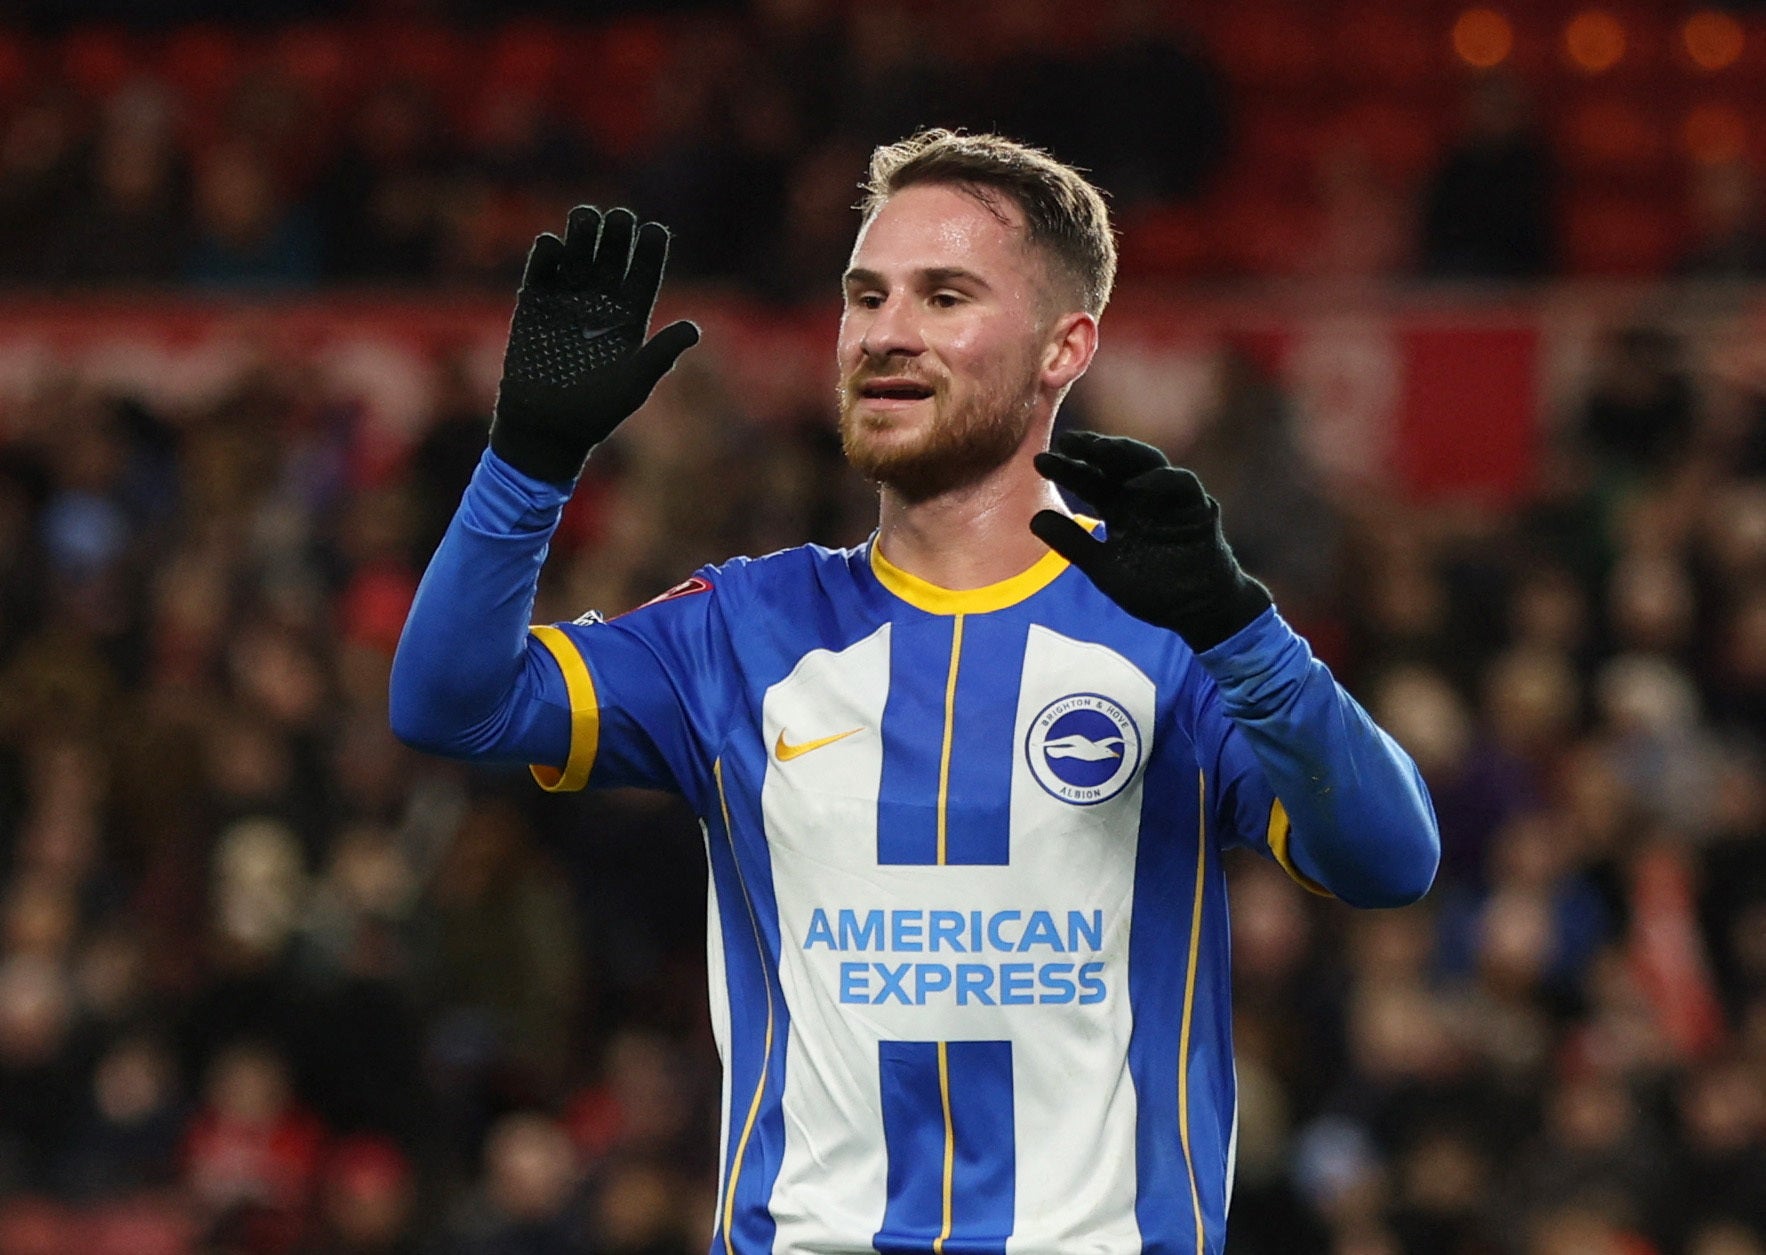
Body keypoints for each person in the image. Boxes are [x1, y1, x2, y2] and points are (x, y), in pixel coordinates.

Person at [390, 129, 1439, 1253]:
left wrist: (1242, 630)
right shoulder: (742, 633)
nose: (887, 332)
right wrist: (526, 461)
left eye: (944, 297)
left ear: (1061, 348)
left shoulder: (1173, 636)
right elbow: (449, 702)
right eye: (865, 295)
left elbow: (1389, 861)